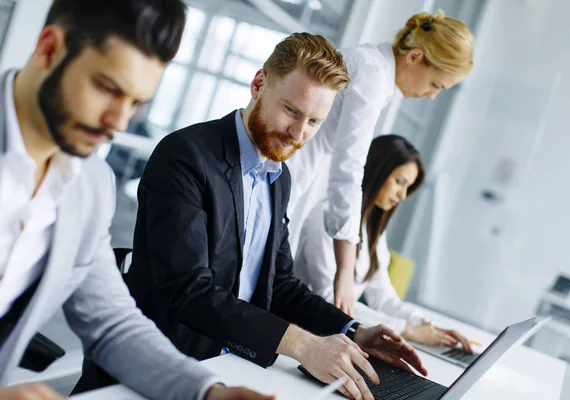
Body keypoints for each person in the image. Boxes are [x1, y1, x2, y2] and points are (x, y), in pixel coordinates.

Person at [78, 33, 429, 400]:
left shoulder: (280, 178)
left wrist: (353, 329)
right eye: (292, 111)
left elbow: (279, 283)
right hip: (166, 371)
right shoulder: (186, 157)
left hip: (232, 366)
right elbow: (190, 292)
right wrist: (305, 346)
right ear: (258, 84)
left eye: (314, 122)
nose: (298, 134)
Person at [0, 0, 272, 399]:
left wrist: (208, 391)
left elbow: (112, 323)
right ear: (48, 50)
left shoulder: (90, 185)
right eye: (108, 89)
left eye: (136, 102)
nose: (119, 122)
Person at [286, 11, 474, 317]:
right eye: (436, 84)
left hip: (291, 176)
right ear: (415, 56)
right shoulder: (372, 73)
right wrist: (345, 271)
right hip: (284, 172)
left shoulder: (377, 72)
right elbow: (348, 170)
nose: (431, 97)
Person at [295, 135, 472, 351]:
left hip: (337, 337)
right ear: (378, 170)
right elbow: (330, 300)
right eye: (399, 182)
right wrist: (406, 330)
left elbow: (382, 295)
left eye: (408, 187)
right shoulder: (325, 216)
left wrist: (425, 325)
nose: (403, 195)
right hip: (307, 333)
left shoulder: (371, 227)